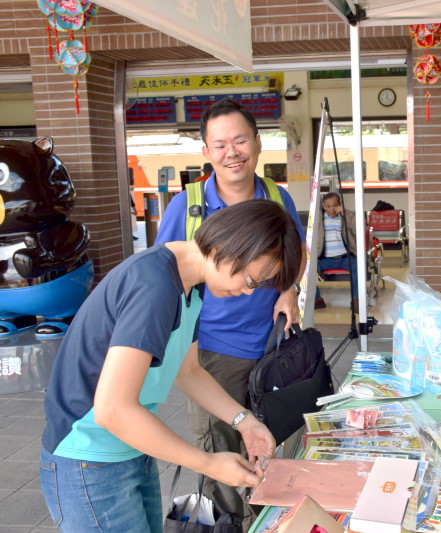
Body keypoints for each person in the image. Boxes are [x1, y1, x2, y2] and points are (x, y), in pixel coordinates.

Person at [39, 199, 303, 532]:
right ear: (226, 246)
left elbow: (188, 370)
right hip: (88, 459)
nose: (248, 292)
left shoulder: (189, 284)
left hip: (127, 449)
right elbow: (112, 410)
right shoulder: (154, 287)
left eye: (260, 285)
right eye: (251, 279)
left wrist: (244, 421)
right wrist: (209, 463)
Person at [155, 97, 305, 529]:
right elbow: (167, 272)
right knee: (219, 452)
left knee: (273, 444)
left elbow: (294, 257)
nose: (231, 152)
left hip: (274, 347)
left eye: (240, 141)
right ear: (206, 152)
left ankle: (270, 521)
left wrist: (289, 290)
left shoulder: (279, 198)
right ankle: (229, 525)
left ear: (258, 144)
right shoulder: (187, 207)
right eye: (219, 144)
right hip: (211, 355)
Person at [314, 191, 359, 310]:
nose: (331, 209)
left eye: (334, 205)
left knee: (359, 266)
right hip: (324, 259)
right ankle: (316, 299)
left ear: (340, 204)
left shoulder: (348, 216)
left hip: (346, 257)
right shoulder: (318, 219)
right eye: (328, 206)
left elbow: (359, 230)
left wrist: (345, 213)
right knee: (307, 269)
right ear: (323, 206)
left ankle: (356, 300)